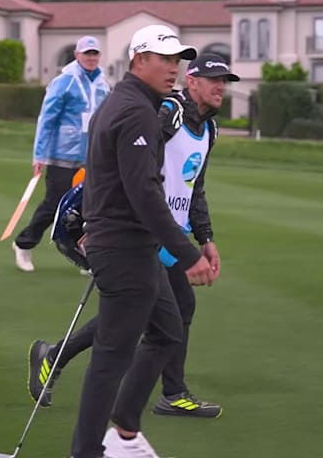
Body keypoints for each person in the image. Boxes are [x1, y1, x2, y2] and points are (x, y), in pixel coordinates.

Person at [28, 53, 238, 420]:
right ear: (192, 81)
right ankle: (164, 396)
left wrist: (205, 237)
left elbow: (194, 186)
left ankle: (56, 355)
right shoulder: (168, 113)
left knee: (148, 312)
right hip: (144, 229)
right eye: (214, 79)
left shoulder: (210, 128)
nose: (221, 86)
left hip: (169, 232)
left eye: (225, 80)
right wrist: (97, 221)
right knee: (156, 312)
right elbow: (122, 161)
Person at [66, 24, 215, 458]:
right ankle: (87, 452)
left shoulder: (128, 103)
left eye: (177, 61)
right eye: (164, 59)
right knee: (112, 357)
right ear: (139, 60)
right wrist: (188, 254)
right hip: (124, 249)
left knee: (168, 331)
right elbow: (143, 192)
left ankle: (125, 430)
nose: (173, 68)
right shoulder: (135, 110)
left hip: (131, 247)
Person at [12, 36, 110, 272]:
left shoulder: (103, 84)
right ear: (77, 55)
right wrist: (39, 155)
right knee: (55, 205)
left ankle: (85, 257)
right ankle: (23, 243)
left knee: (89, 209)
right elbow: (46, 118)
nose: (91, 57)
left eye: (95, 53)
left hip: (91, 158)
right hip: (62, 156)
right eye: (87, 53)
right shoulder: (64, 81)